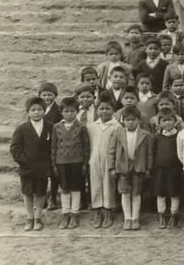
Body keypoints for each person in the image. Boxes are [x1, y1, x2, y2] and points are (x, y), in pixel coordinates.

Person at [10, 97, 53, 231]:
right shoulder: (22, 128)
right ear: (28, 112)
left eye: (39, 109)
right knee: (27, 192)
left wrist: (49, 163)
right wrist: (25, 162)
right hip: (27, 168)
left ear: (44, 111)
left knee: (41, 192)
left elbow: (53, 146)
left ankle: (38, 217)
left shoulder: (50, 127)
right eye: (33, 110)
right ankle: (29, 218)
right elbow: (15, 148)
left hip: (43, 167)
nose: (36, 112)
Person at [109, 106, 153, 231]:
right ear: (123, 120)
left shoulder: (146, 135)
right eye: (127, 120)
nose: (130, 122)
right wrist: (112, 167)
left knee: (136, 193)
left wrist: (148, 168)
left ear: (139, 120)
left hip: (138, 167)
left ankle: (135, 218)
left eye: (133, 119)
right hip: (123, 167)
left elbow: (149, 153)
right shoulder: (118, 133)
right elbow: (111, 151)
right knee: (125, 193)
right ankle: (127, 218)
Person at [50, 96, 90, 228]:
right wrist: (54, 164)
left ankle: (74, 214)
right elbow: (54, 146)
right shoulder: (56, 127)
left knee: (76, 187)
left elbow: (86, 146)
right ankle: (65, 213)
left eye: (72, 111)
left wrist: (85, 163)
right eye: (66, 111)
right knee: (65, 188)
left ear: (77, 112)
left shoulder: (81, 127)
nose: (69, 114)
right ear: (61, 112)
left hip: (77, 162)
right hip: (61, 162)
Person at [87, 101, 121, 228]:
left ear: (113, 110)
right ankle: (97, 211)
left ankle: (108, 211)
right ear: (97, 111)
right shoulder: (92, 126)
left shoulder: (117, 126)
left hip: (109, 159)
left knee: (108, 185)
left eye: (108, 108)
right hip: (94, 158)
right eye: (101, 108)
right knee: (95, 185)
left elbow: (118, 146)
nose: (104, 111)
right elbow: (89, 144)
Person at [152, 108, 184, 228]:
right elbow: (153, 152)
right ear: (159, 123)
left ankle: (173, 214)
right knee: (160, 193)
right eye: (164, 121)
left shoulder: (180, 136)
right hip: (160, 169)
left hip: (175, 169)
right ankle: (161, 214)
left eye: (170, 120)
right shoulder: (156, 137)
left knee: (174, 192)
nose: (167, 123)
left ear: (175, 122)